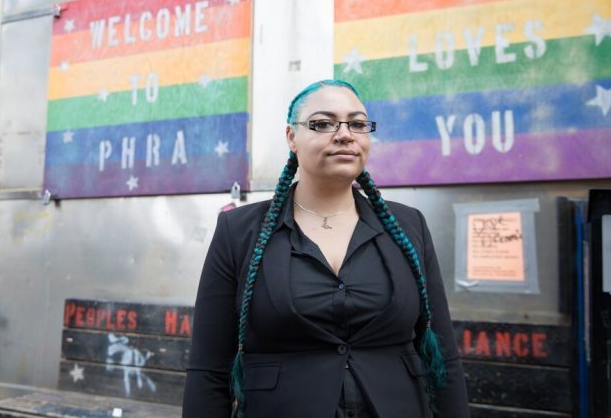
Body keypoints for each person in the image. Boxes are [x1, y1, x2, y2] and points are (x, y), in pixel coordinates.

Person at [182, 80, 469, 417]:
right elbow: (209, 367)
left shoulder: (409, 225)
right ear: (292, 137)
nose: (345, 134)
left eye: (358, 124)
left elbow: (444, 355)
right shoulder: (239, 231)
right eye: (323, 123)